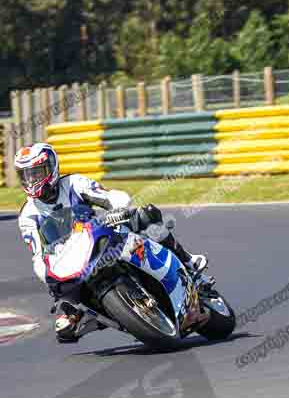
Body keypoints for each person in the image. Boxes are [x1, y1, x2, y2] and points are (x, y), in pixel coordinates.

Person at [15, 143, 209, 343]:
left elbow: (106, 197)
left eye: (37, 173)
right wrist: (45, 272)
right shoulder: (27, 215)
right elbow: (37, 253)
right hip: (70, 260)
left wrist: (118, 207)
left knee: (145, 215)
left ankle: (188, 261)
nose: (32, 180)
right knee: (65, 328)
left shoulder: (74, 183)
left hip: (100, 234)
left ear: (52, 167)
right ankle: (101, 315)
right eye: (26, 175)